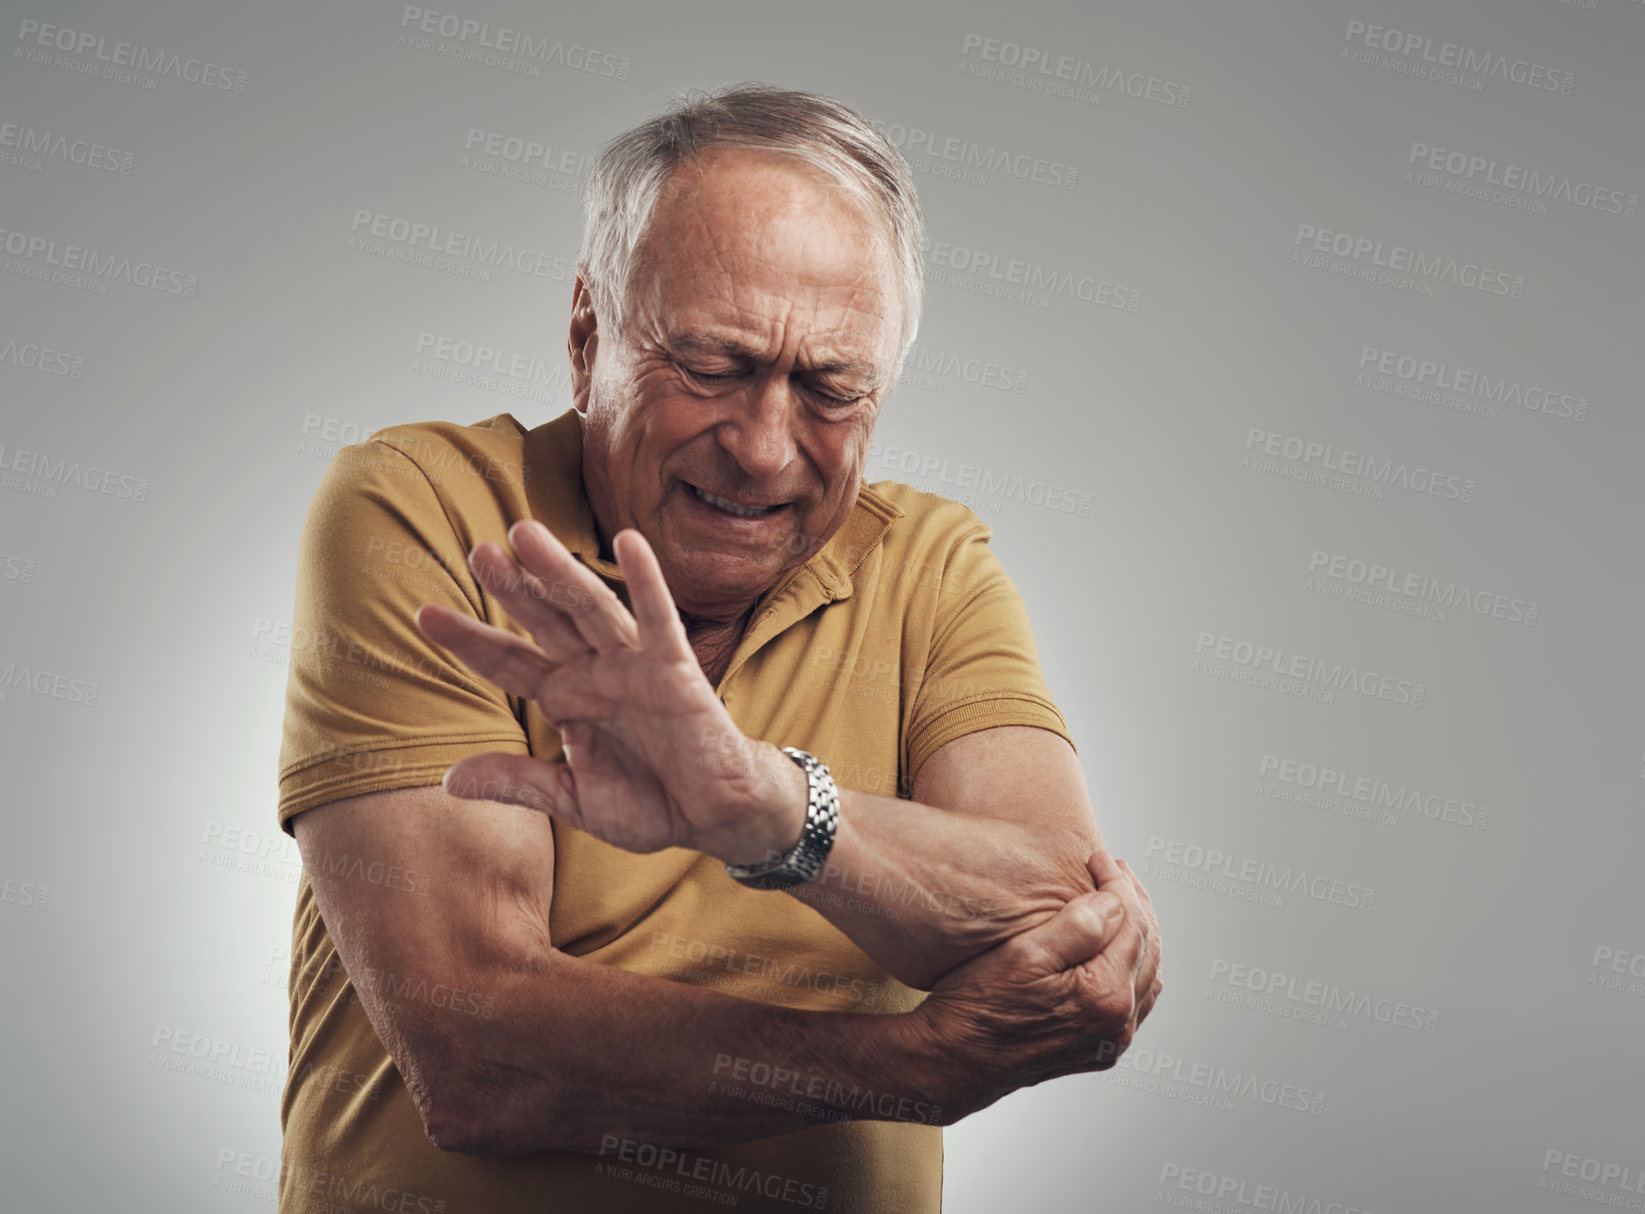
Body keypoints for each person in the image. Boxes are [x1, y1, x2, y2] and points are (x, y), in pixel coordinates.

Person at [276, 82, 1162, 1214]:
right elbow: (478, 1053)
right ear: (588, 332)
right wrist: (909, 1069)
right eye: (711, 366)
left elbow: (1066, 935)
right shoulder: (425, 508)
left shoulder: (931, 563)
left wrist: (768, 809)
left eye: (830, 386)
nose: (761, 448)